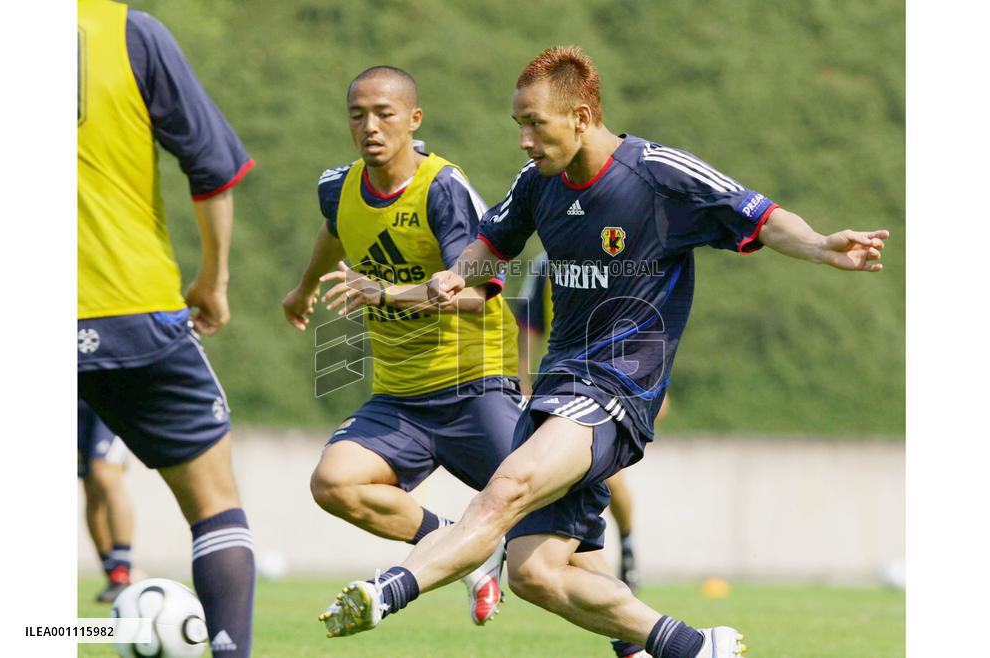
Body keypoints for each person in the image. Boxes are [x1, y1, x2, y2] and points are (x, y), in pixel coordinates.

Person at [323, 45, 888, 658]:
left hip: (617, 386)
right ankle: (694, 647)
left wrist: (820, 245)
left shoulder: (658, 174)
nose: (524, 140)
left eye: (534, 124)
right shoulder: (537, 183)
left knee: (506, 489)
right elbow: (491, 246)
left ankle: (386, 592)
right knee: (536, 574)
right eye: (518, 124)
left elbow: (761, 216)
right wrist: (455, 275)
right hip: (560, 384)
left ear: (582, 117)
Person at [282, 66, 521, 626]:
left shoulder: (442, 189)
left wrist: (384, 293)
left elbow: (477, 294)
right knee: (334, 482)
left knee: (547, 519)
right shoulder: (337, 186)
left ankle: (635, 643)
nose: (370, 126)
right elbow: (336, 227)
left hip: (475, 385)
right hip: (401, 396)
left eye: (384, 114)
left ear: (414, 120)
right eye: (358, 114)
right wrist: (305, 286)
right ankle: (464, 547)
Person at [77, 2, 255, 655]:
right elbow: (212, 168)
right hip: (130, 309)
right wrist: (213, 279)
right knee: (214, 504)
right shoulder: (129, 32)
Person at [514, 251, 672, 594]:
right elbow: (527, 329)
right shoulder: (546, 264)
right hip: (562, 385)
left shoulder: (626, 259)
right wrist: (523, 386)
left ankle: (626, 547)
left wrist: (652, 388)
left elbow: (647, 325)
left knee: (610, 479)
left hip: (613, 383)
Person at [79, 399, 134, 603]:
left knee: (104, 474)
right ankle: (112, 572)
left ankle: (122, 569)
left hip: (109, 396)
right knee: (91, 488)